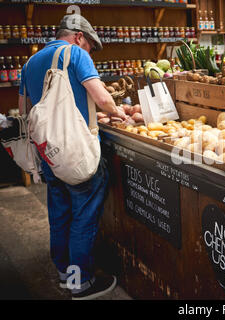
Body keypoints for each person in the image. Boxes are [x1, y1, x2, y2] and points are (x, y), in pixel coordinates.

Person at [19, 14, 124, 300]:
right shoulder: (75, 53)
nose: (89, 51)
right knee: (84, 216)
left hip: (49, 154)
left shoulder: (30, 63)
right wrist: (119, 113)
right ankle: (81, 284)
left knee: (59, 213)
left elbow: (28, 110)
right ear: (78, 37)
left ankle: (65, 273)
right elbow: (103, 99)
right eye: (90, 45)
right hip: (76, 153)